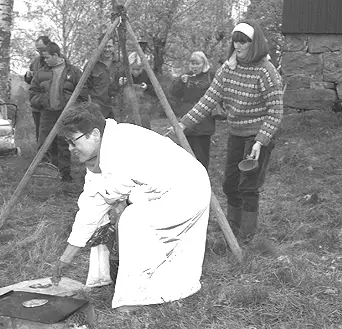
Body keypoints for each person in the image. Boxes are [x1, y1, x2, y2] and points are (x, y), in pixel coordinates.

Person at [50, 102, 211, 313]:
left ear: (95, 134)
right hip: (166, 190)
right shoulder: (101, 152)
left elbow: (150, 185)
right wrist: (64, 259)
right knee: (111, 221)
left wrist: (123, 206)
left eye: (73, 141)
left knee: (133, 221)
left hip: (186, 190)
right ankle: (156, 287)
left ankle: (134, 298)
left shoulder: (122, 147)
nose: (70, 149)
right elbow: (90, 209)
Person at [176, 21, 283, 244]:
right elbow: (208, 100)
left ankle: (246, 236)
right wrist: (183, 124)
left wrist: (260, 141)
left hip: (258, 135)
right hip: (236, 133)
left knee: (248, 185)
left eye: (244, 41)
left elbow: (275, 112)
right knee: (230, 184)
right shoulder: (228, 68)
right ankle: (232, 228)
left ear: (255, 44)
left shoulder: (266, 71)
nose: (238, 45)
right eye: (236, 40)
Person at [29, 42, 88, 182]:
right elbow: (32, 93)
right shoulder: (41, 72)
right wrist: (42, 101)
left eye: (47, 57)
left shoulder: (73, 72)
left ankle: (65, 175)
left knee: (64, 145)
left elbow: (83, 93)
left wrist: (73, 108)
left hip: (66, 114)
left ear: (56, 55)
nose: (45, 60)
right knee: (43, 145)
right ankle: (44, 174)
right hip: (47, 114)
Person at [170, 51, 216, 170]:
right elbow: (174, 94)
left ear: (204, 64)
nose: (194, 67)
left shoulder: (211, 76)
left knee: (202, 154)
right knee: (187, 152)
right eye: (192, 64)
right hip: (187, 118)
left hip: (205, 120)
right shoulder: (186, 77)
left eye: (197, 64)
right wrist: (180, 82)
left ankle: (203, 176)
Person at [86, 35, 123, 119]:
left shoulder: (121, 63)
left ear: (114, 47)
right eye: (104, 47)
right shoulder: (91, 64)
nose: (107, 49)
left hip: (117, 107)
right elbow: (85, 86)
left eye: (109, 46)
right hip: (98, 108)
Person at [24, 35, 51, 142]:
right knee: (40, 133)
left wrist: (38, 76)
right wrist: (28, 76)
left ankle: (55, 157)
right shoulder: (35, 62)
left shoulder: (58, 60)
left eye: (42, 49)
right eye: (37, 50)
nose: (39, 52)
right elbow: (31, 82)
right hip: (37, 105)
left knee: (53, 133)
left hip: (52, 104)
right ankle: (42, 157)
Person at [118, 51, 154, 129]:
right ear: (129, 67)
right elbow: (112, 90)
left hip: (143, 109)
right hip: (127, 110)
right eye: (133, 69)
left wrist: (147, 87)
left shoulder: (147, 74)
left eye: (138, 69)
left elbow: (155, 90)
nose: (135, 72)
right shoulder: (123, 73)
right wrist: (119, 84)